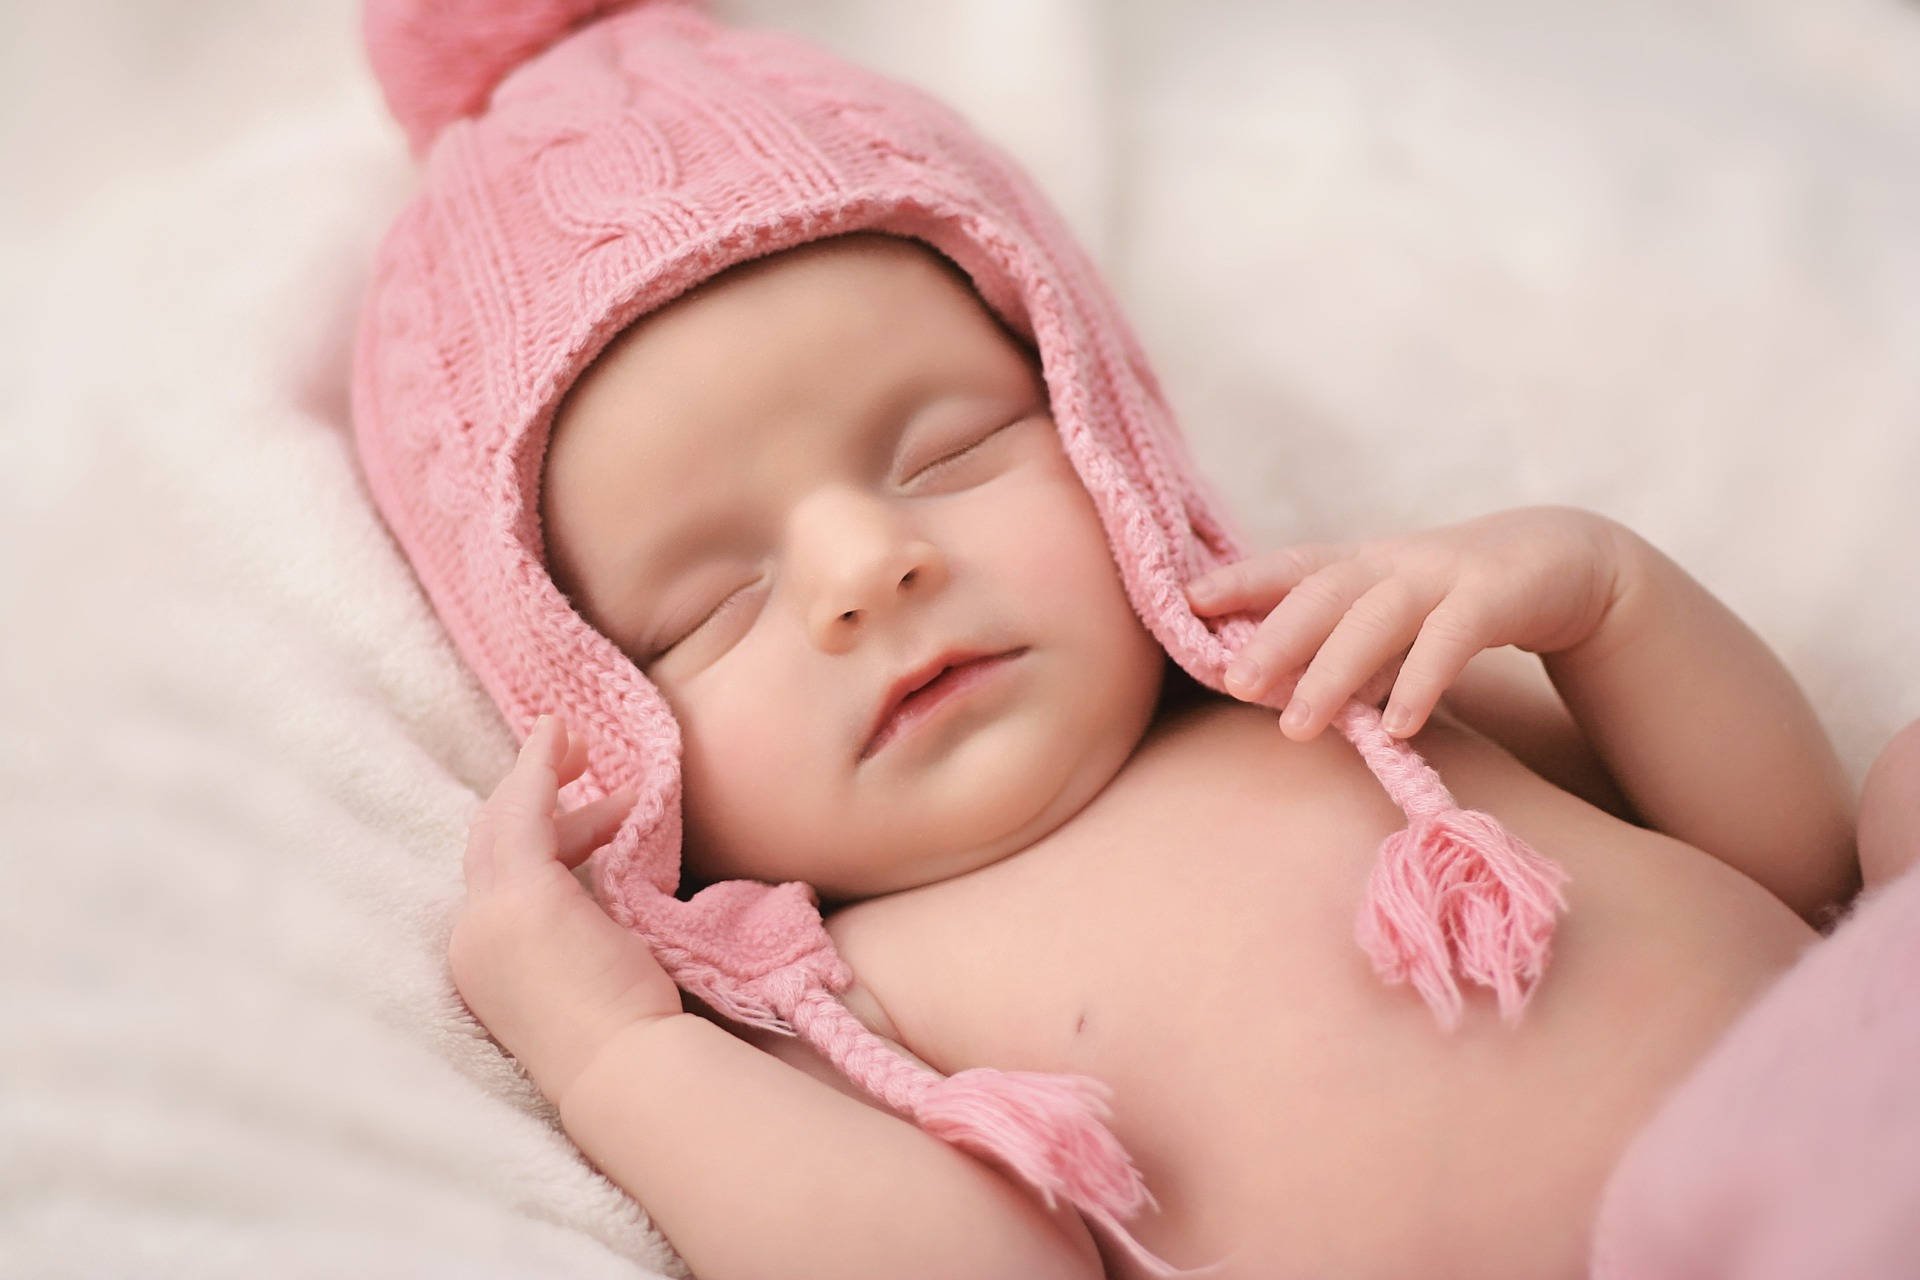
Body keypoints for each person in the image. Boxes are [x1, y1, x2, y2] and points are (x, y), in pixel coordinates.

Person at [351, 2, 1897, 1276]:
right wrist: (618, 1054)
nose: (867, 569)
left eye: (950, 451)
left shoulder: (1321, 677)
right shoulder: (845, 995)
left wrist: (1603, 603)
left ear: (1104, 426)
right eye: (707, 603)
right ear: (596, 696)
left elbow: (1788, 856)